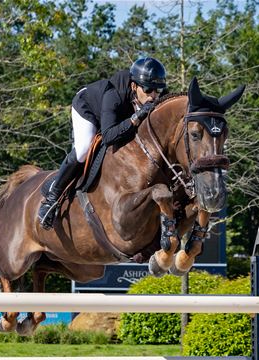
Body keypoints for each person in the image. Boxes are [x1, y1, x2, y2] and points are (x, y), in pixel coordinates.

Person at [38, 57, 167, 230]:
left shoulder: (149, 97)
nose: (153, 96)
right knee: (84, 150)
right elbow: (108, 136)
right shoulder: (113, 96)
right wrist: (136, 117)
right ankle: (52, 198)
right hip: (87, 108)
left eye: (158, 91)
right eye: (149, 89)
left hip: (114, 117)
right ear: (134, 86)